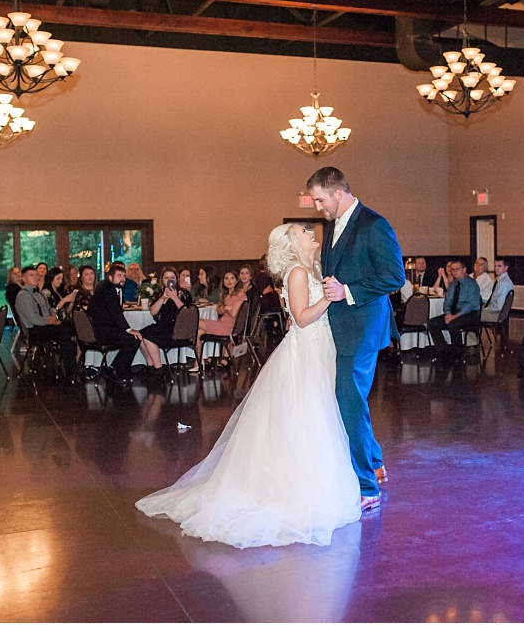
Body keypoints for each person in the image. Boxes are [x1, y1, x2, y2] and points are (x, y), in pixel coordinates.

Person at [136, 223, 360, 548]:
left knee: (319, 413)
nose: (311, 233)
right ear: (292, 244)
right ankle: (297, 487)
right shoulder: (298, 272)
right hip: (306, 351)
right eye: (303, 231)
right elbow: (300, 316)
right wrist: (329, 297)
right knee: (306, 414)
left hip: (320, 347)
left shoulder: (314, 267)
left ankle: (319, 482)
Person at [311, 166, 406, 511]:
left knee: (348, 400)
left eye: (320, 200)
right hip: (339, 326)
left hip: (364, 326)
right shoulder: (331, 225)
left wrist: (347, 291)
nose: (318, 208)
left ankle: (366, 486)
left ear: (338, 193)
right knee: (350, 401)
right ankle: (376, 464)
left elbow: (395, 276)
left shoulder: (374, 224)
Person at [14, 266, 78, 378]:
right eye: (31, 275)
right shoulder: (23, 296)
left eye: (36, 275)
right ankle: (70, 368)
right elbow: (33, 318)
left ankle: (80, 361)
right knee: (63, 330)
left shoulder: (39, 294)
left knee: (74, 326)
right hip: (35, 330)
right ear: (23, 279)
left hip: (45, 325)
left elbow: (50, 309)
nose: (35, 278)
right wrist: (50, 321)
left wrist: (54, 318)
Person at [87, 262, 142, 385]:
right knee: (133, 339)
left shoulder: (110, 287)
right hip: (101, 331)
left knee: (133, 338)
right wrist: (128, 329)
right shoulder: (107, 289)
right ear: (110, 277)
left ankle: (117, 370)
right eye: (119, 275)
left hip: (102, 328)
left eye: (123, 275)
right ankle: (115, 370)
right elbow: (115, 312)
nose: (122, 278)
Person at [190, 270, 247, 372]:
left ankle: (202, 360)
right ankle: (199, 361)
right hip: (222, 323)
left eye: (232, 278)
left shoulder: (240, 293)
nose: (229, 281)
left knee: (195, 322)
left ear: (236, 281)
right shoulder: (226, 294)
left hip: (229, 327)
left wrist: (225, 308)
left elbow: (233, 313)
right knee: (198, 333)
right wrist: (226, 307)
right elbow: (219, 310)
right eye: (226, 278)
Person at [427, 258, 481, 360]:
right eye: (453, 269)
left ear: (464, 270)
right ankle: (442, 350)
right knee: (432, 323)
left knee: (453, 324)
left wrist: (455, 316)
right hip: (453, 313)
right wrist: (448, 314)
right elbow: (447, 302)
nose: (455, 272)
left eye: (457, 269)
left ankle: (457, 353)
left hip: (470, 314)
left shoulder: (472, 284)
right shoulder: (452, 285)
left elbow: (470, 305)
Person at [139, 267, 187, 375]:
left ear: (176, 279)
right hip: (162, 325)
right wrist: (163, 299)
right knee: (138, 336)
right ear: (162, 280)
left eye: (172, 278)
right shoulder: (159, 293)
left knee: (148, 336)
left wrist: (175, 298)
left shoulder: (182, 293)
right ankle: (151, 363)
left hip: (176, 328)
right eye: (166, 278)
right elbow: (153, 312)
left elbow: (186, 313)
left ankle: (158, 367)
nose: (169, 280)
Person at [253, 255, 283, 336]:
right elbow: (267, 292)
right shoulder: (264, 276)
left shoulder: (261, 276)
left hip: (266, 301)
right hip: (268, 303)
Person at [481, 257, 515, 324]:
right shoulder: (501, 280)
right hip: (496, 313)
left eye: (499, 266)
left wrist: (486, 309)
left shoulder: (504, 283)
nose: (496, 268)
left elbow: (499, 306)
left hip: (496, 315)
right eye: (495, 266)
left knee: (470, 316)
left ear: (506, 268)